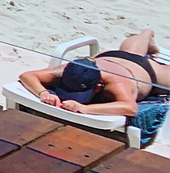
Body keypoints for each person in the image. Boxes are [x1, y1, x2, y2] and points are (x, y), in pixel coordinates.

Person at [18, 33, 170, 120]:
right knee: (131, 51)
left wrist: (85, 108)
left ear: (99, 86)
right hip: (111, 56)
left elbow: (130, 108)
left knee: (137, 56)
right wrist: (43, 93)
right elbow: (27, 75)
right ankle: (146, 35)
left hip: (143, 70)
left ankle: (147, 35)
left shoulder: (116, 83)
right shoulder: (69, 70)